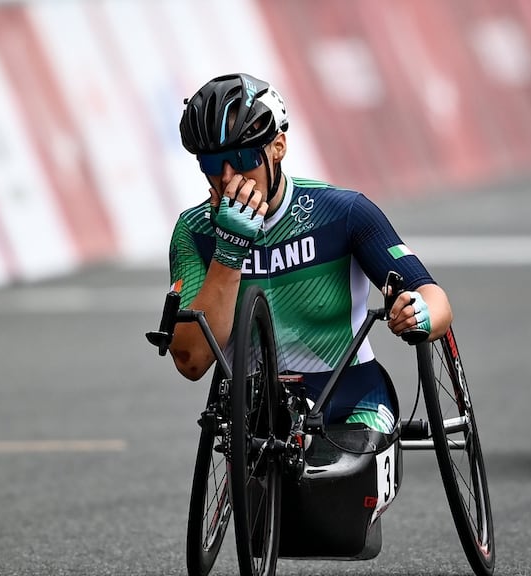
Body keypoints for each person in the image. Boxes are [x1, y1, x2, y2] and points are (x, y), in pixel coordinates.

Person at [166, 72, 451, 434]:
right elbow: (191, 361)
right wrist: (228, 253)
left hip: (353, 399)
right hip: (256, 413)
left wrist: (420, 315)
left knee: (336, 479)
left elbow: (434, 297)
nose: (225, 177)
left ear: (278, 147)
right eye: (210, 163)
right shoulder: (194, 231)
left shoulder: (342, 211)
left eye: (241, 158)